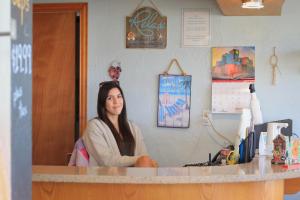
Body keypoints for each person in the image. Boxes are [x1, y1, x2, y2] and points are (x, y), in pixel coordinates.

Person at [82, 81, 157, 167]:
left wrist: (145, 161)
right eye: (110, 98)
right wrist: (138, 159)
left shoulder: (133, 127)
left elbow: (143, 156)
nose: (116, 102)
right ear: (103, 102)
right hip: (106, 178)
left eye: (119, 96)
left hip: (133, 177)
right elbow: (106, 161)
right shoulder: (94, 127)